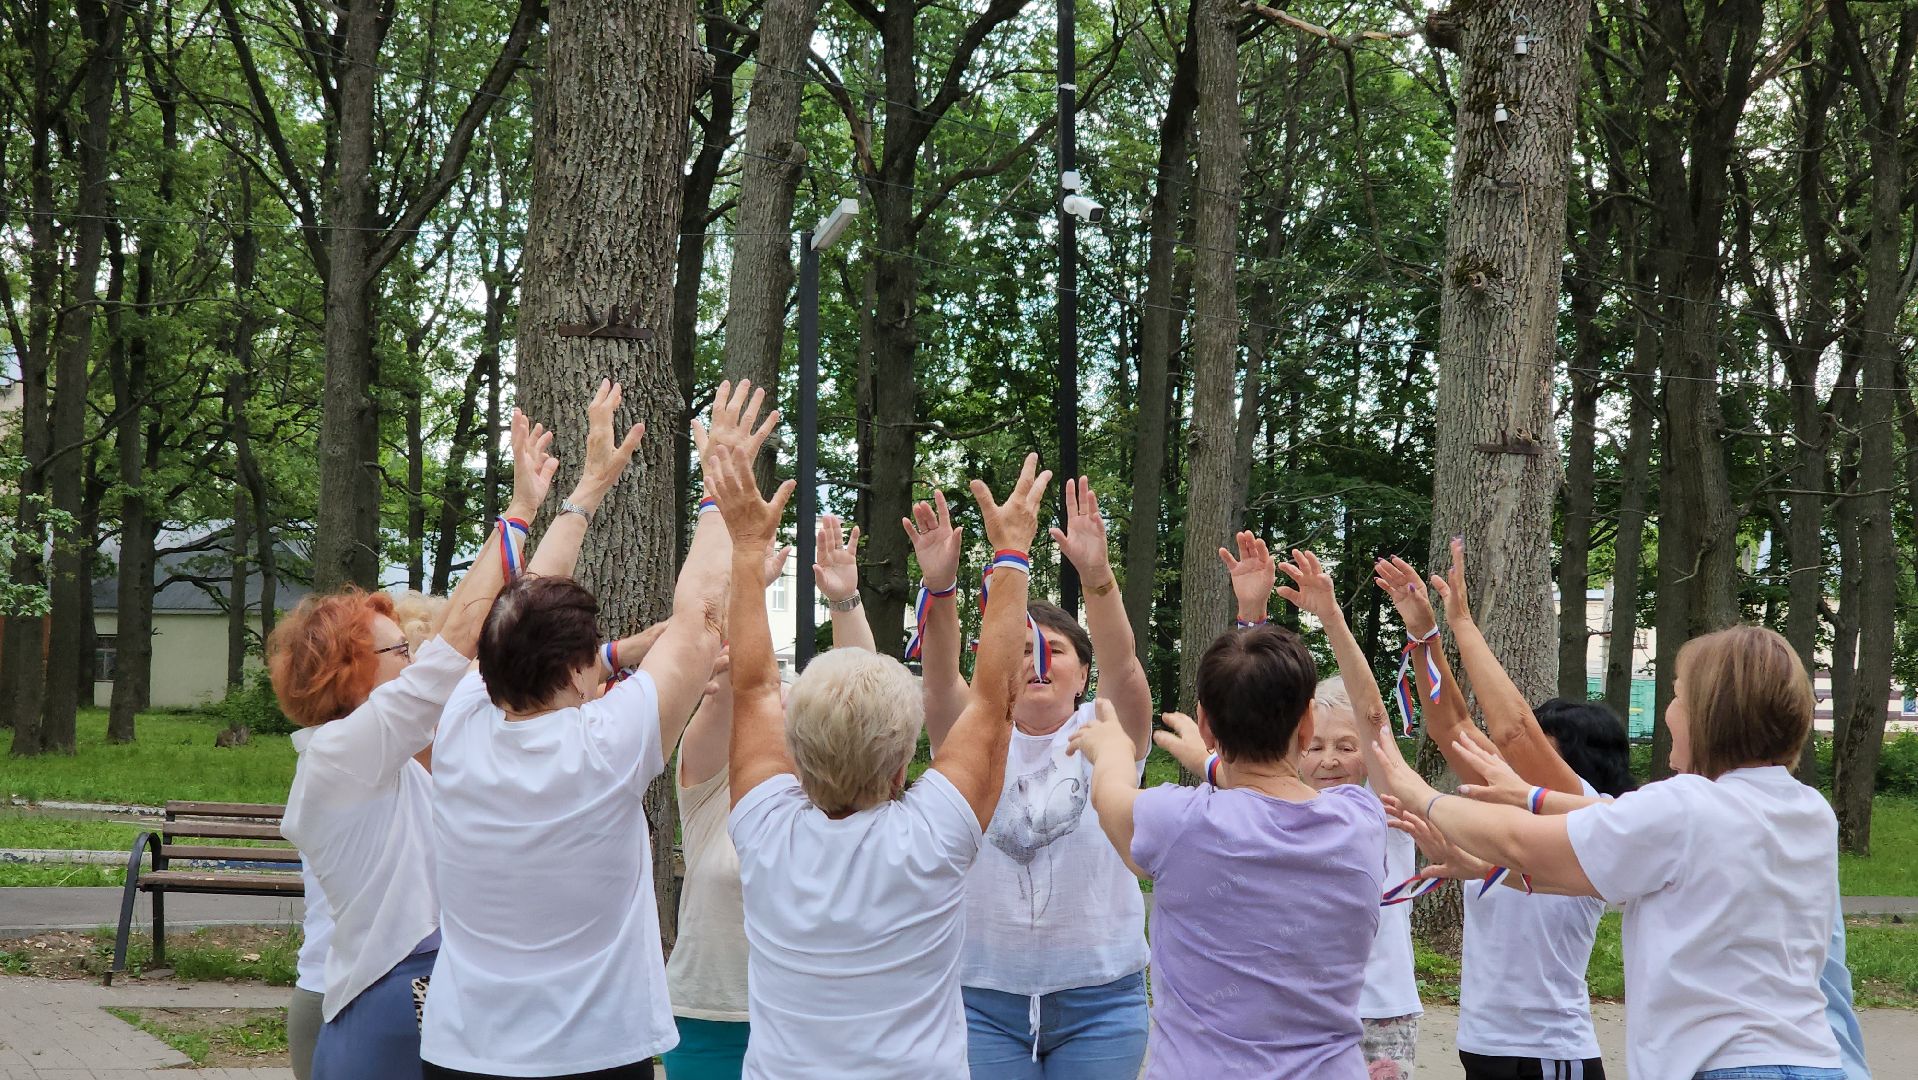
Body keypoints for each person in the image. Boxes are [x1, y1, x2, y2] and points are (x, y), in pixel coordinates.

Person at [418, 380, 769, 1080]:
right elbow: (701, 616)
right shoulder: (607, 746)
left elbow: (514, 607)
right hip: (592, 1059)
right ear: (583, 671)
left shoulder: (458, 724)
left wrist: (585, 494)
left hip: (460, 1054)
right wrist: (717, 491)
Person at [1369, 622, 1845, 1080]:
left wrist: (1418, 794)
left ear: (1710, 714)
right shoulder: (1810, 811)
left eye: (1678, 695)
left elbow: (1520, 843)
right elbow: (1604, 822)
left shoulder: (1683, 806)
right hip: (1815, 1059)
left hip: (1722, 1065)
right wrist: (1531, 799)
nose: (1668, 711)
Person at [715, 445, 1049, 1079]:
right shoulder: (934, 836)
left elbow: (754, 686)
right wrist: (1010, 555)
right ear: (902, 766)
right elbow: (997, 700)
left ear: (794, 751)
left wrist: (744, 546)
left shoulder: (762, 829)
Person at [273, 407, 557, 1080]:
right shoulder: (345, 754)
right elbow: (459, 633)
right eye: (396, 649)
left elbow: (485, 626)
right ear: (350, 675)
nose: (414, 654)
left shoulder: (375, 757)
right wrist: (518, 512)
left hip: (401, 997)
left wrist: (562, 509)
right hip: (387, 1002)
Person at [1073, 547, 1391, 1078]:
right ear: (1308, 726)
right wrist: (1317, 619)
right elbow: (1369, 725)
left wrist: (1110, 748)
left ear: (1205, 724)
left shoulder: (1175, 823)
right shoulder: (1360, 821)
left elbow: (1111, 798)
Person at [906, 477, 1153, 1078]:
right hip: (983, 998)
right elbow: (938, 678)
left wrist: (1098, 577)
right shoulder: (972, 737)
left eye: (1056, 651)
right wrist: (940, 587)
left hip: (1101, 998)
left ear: (1082, 672)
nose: (1038, 662)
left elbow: (1124, 663)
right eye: (1019, 650)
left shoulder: (1112, 729)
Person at [1372, 549, 1628, 1080]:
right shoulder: (1515, 801)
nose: (1510, 752)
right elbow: (1450, 728)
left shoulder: (1589, 814)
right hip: (1483, 1042)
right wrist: (1423, 637)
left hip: (1549, 1052)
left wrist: (1462, 624)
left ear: (1573, 762)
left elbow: (1512, 730)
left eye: (1541, 744)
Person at [663, 514, 875, 1080]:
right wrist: (746, 589)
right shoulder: (715, 785)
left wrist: (846, 601)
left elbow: (869, 693)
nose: (781, 697)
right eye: (777, 690)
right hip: (709, 1020)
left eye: (797, 696)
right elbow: (740, 679)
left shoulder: (843, 796)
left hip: (814, 1020)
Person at [1215, 533, 1420, 1077]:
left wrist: (1331, 617)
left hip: (1379, 1012)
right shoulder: (1265, 801)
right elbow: (1242, 711)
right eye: (1318, 745)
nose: (1330, 760)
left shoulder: (1386, 807)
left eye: (1346, 747)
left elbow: (1373, 715)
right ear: (1297, 743)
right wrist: (1250, 615)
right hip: (1287, 1008)